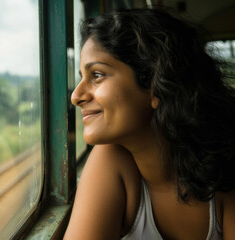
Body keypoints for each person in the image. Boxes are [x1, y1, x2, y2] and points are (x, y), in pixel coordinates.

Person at [64, 8, 235, 240]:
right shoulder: (110, 160)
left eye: (96, 75)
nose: (76, 96)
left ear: (156, 83)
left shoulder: (226, 169)